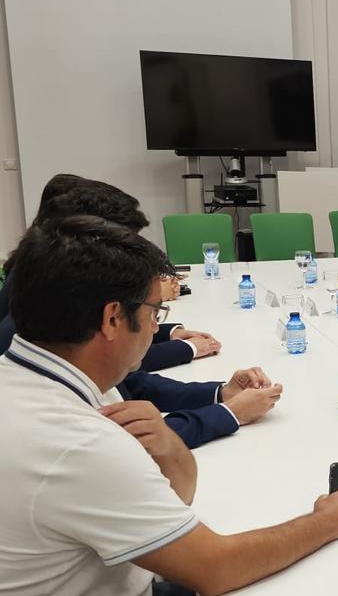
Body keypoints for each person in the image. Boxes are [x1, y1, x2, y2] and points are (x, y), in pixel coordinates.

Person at [0, 215, 338, 596]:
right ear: (111, 320)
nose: (155, 324)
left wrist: (169, 444)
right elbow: (214, 569)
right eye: (152, 312)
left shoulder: (34, 380)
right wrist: (325, 522)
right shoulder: (75, 439)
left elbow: (175, 497)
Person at [0, 181, 282, 448]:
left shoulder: (48, 301)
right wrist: (228, 413)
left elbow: (131, 387)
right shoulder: (37, 341)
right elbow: (119, 443)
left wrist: (220, 394)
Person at [0, 177, 220, 371]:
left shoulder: (39, 267)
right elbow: (103, 354)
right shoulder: (53, 286)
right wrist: (184, 347)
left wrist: (166, 332)